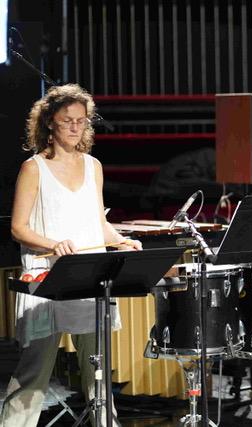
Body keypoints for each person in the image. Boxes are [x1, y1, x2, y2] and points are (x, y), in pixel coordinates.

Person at [1, 84, 142, 426]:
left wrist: (121, 241)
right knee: (33, 376)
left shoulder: (93, 165)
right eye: (68, 121)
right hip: (48, 279)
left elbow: (98, 223)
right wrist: (52, 243)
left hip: (90, 278)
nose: (76, 127)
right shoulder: (33, 168)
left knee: (98, 378)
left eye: (82, 120)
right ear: (50, 122)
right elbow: (18, 228)